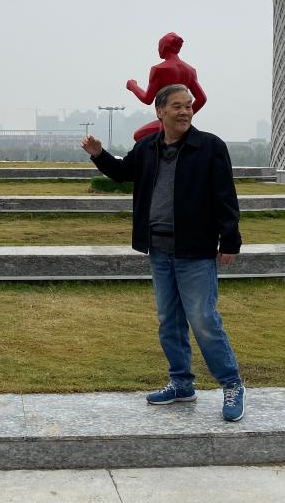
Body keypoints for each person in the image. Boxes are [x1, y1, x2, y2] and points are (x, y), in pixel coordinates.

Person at [81, 83, 246, 421]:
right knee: (169, 321)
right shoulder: (148, 147)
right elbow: (122, 173)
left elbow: (225, 196)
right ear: (160, 111)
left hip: (195, 250)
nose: (185, 111)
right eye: (177, 106)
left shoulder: (210, 147)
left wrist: (230, 241)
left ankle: (232, 384)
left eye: (188, 106)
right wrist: (99, 154)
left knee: (203, 320)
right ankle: (181, 384)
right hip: (159, 249)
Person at [126, 32, 207, 141]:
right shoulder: (190, 70)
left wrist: (133, 86)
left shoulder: (159, 69)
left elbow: (147, 99)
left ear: (163, 47)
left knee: (138, 136)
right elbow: (202, 99)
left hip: (166, 120)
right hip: (174, 121)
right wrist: (184, 116)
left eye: (159, 47)